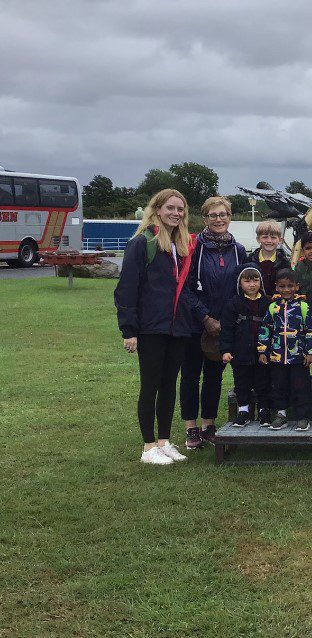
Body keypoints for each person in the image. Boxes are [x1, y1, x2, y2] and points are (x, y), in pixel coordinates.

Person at [115, 188, 196, 465]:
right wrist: (129, 330)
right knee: (150, 386)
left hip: (177, 327)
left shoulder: (181, 246)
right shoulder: (142, 243)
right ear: (157, 210)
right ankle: (148, 447)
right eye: (170, 208)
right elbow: (126, 289)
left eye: (180, 209)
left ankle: (164, 441)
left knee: (169, 385)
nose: (176, 213)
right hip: (151, 327)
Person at [182, 196, 247, 450]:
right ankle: (191, 428)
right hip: (194, 322)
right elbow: (185, 287)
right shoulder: (193, 247)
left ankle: (208, 425)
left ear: (230, 217)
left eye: (223, 215)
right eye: (213, 215)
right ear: (205, 219)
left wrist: (225, 321)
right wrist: (205, 317)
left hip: (223, 324)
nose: (218, 219)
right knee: (190, 375)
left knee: (214, 376)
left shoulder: (238, 250)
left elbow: (240, 288)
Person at [258, 269, 312, 431]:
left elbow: (310, 331)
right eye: (282, 286)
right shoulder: (272, 307)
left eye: (290, 286)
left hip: (298, 357)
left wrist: (310, 352)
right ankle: (281, 414)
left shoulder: (303, 307)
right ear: (277, 287)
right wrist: (262, 351)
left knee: (300, 387)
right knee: (278, 386)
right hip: (277, 357)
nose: (286, 290)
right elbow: (266, 329)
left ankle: (302, 417)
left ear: (297, 286)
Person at [220, 267, 272, 427]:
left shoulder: (268, 302)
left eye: (255, 280)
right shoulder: (233, 303)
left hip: (263, 351)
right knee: (242, 381)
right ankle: (243, 410)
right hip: (240, 350)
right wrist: (226, 350)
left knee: (263, 381)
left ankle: (264, 410)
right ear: (240, 283)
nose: (252, 284)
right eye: (247, 281)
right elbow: (227, 329)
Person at [247, 220, 290, 298]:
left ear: (280, 240)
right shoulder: (249, 261)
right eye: (265, 237)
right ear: (258, 239)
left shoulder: (285, 263)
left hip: (277, 303)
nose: (269, 241)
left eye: (273, 237)